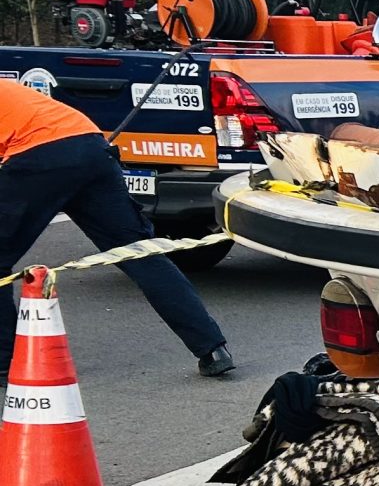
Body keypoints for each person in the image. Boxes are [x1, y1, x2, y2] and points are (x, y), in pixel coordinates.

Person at [0, 77, 232, 378]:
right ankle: (212, 348)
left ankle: (8, 366)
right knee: (140, 253)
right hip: (90, 146)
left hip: (39, 154)